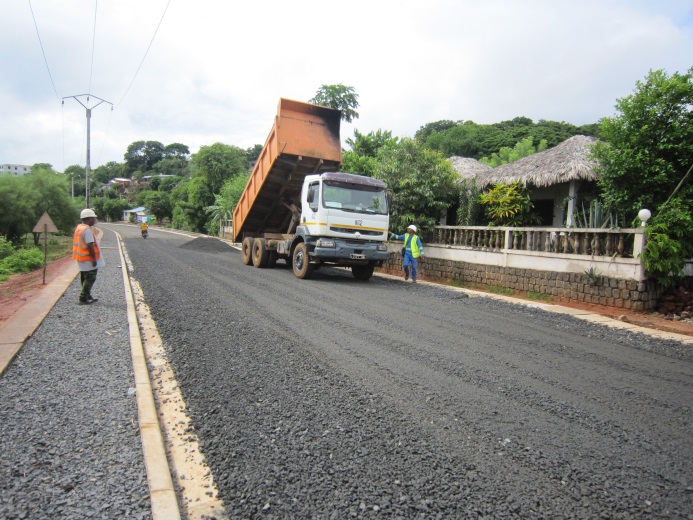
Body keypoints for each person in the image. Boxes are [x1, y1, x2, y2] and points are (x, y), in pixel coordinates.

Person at [72, 208, 105, 305]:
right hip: (88, 258)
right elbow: (90, 245)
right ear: (88, 219)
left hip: (81, 258)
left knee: (84, 277)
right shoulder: (87, 230)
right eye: (93, 218)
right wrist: (94, 259)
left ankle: (87, 295)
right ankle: (83, 298)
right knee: (90, 278)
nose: (95, 220)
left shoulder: (79, 228)